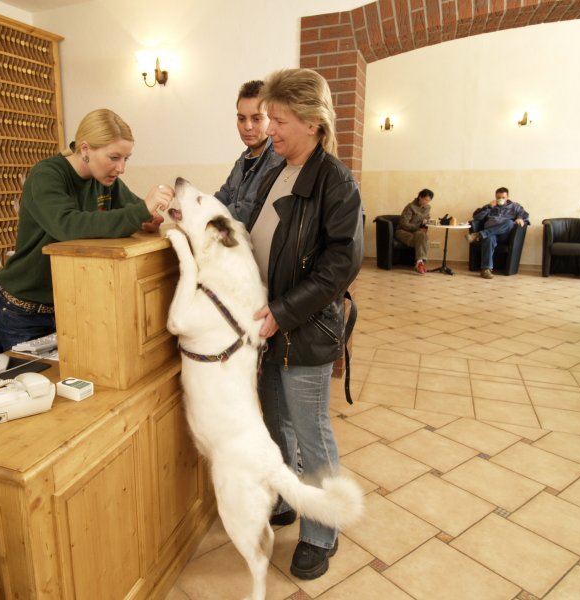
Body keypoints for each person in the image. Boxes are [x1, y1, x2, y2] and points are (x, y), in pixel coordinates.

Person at [247, 68, 364, 580]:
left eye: (278, 120)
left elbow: (340, 266)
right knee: (277, 426)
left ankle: (321, 530)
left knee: (311, 432)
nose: (268, 129)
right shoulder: (278, 168)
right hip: (271, 326)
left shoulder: (336, 181)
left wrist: (283, 312)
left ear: (312, 123)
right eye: (269, 119)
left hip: (304, 329)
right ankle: (290, 498)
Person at [0, 108, 173, 349]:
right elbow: (68, 226)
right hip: (27, 314)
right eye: (114, 157)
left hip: (73, 307)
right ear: (86, 149)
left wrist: (148, 220)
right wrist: (140, 211)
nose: (121, 168)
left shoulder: (106, 181)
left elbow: (135, 211)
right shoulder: (46, 175)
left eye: (126, 159)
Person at [214, 80, 284, 222]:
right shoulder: (242, 160)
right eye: (241, 118)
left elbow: (247, 211)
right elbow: (221, 199)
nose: (247, 126)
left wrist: (205, 217)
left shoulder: (278, 159)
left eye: (256, 119)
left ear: (271, 119)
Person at [465, 187, 529, 279]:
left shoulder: (515, 206)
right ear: (495, 197)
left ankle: (480, 234)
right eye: (498, 197)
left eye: (503, 197)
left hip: (505, 235)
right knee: (489, 238)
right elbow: (477, 217)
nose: (501, 199)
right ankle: (486, 270)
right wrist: (489, 207)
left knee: (509, 223)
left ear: (507, 197)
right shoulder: (490, 206)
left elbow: (525, 215)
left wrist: (520, 218)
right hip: (491, 234)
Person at [395, 188, 434, 274]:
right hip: (403, 231)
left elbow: (427, 217)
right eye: (425, 199)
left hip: (416, 233)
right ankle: (421, 263)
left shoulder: (427, 207)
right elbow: (403, 223)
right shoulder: (410, 207)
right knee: (423, 239)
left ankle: (419, 262)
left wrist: (427, 222)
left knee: (422, 236)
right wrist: (417, 228)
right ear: (420, 197)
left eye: (429, 200)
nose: (426, 202)